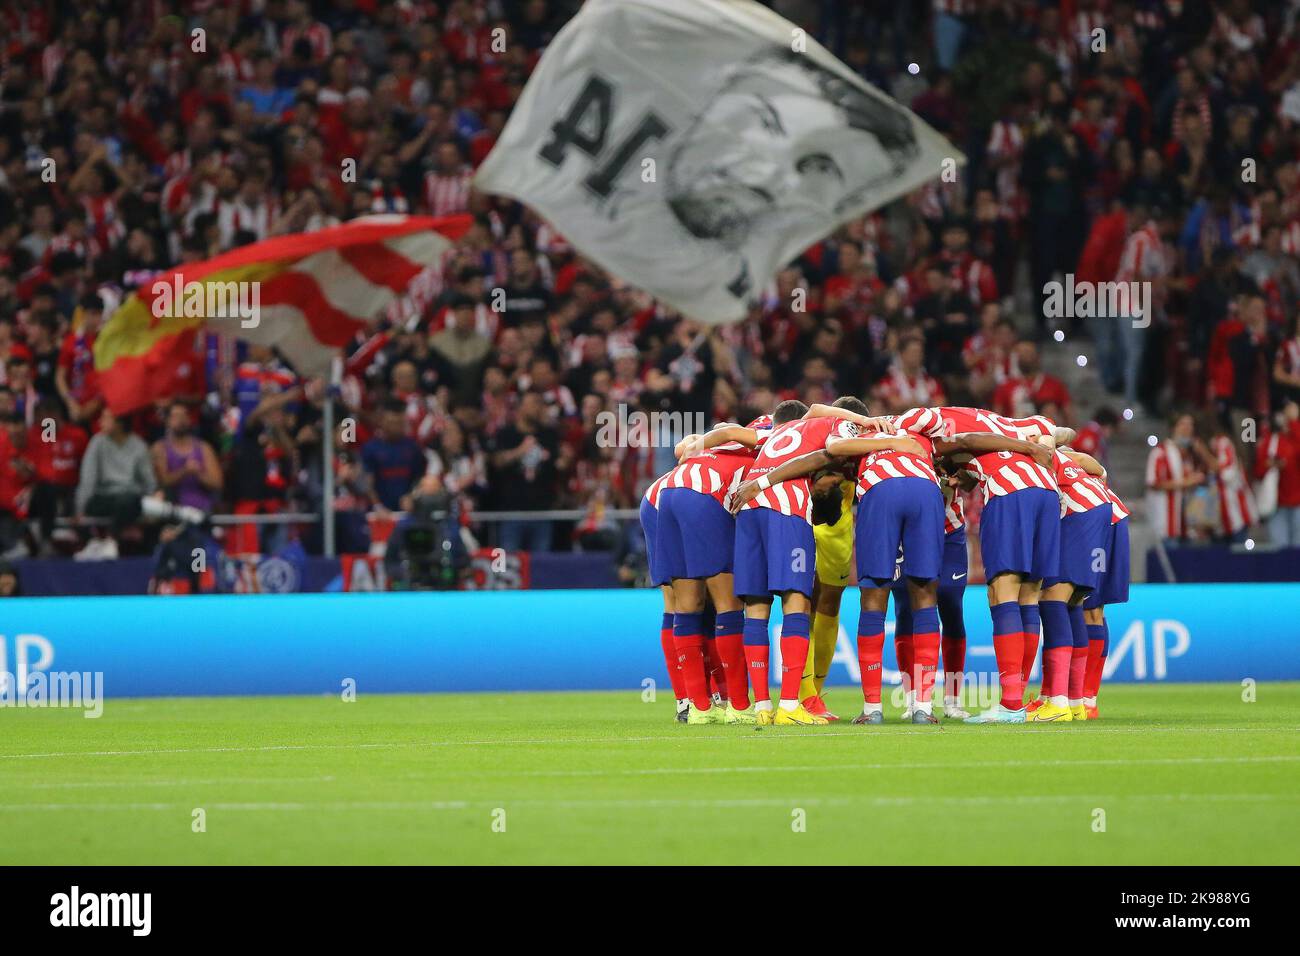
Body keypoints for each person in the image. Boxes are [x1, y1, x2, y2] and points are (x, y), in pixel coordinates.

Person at [655, 416, 771, 724]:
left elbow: (685, 447)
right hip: (704, 496)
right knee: (729, 604)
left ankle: (699, 708)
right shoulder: (773, 438)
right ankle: (739, 706)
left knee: (687, 605)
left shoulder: (728, 443)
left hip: (668, 492)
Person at [1025, 447, 1114, 722]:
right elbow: (1087, 461)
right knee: (1075, 600)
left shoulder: (1033, 451)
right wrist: (1102, 473)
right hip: (1103, 511)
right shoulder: (1061, 455)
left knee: (1053, 598)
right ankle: (1076, 703)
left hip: (1081, 514)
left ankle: (1058, 703)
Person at [75, 408, 205, 560]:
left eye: (106, 418)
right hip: (104, 498)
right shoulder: (97, 443)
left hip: (133, 499)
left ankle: (163, 547)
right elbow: (88, 478)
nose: (100, 422)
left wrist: (156, 494)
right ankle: (109, 540)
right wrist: (80, 508)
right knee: (131, 502)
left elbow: (148, 482)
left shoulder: (138, 445)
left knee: (158, 496)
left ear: (119, 423)